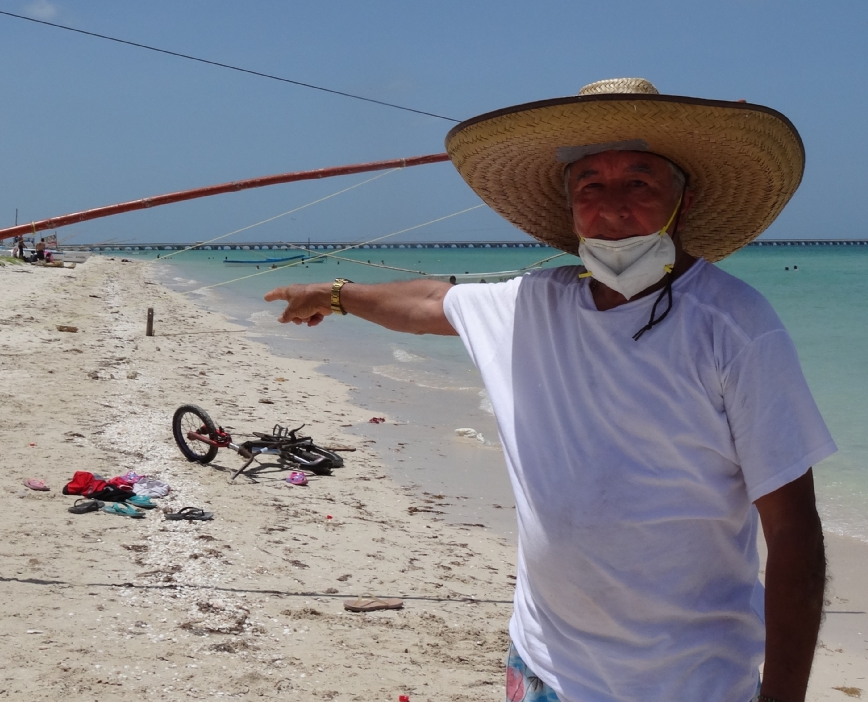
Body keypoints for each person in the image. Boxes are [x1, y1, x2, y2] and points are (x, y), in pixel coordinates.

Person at [266, 78, 833, 702]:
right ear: (570, 205)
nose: (613, 206)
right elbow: (430, 301)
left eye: (640, 182)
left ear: (684, 200)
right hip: (542, 668)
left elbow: (794, 532)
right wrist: (336, 295)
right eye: (591, 185)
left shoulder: (735, 328)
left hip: (687, 684)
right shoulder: (534, 303)